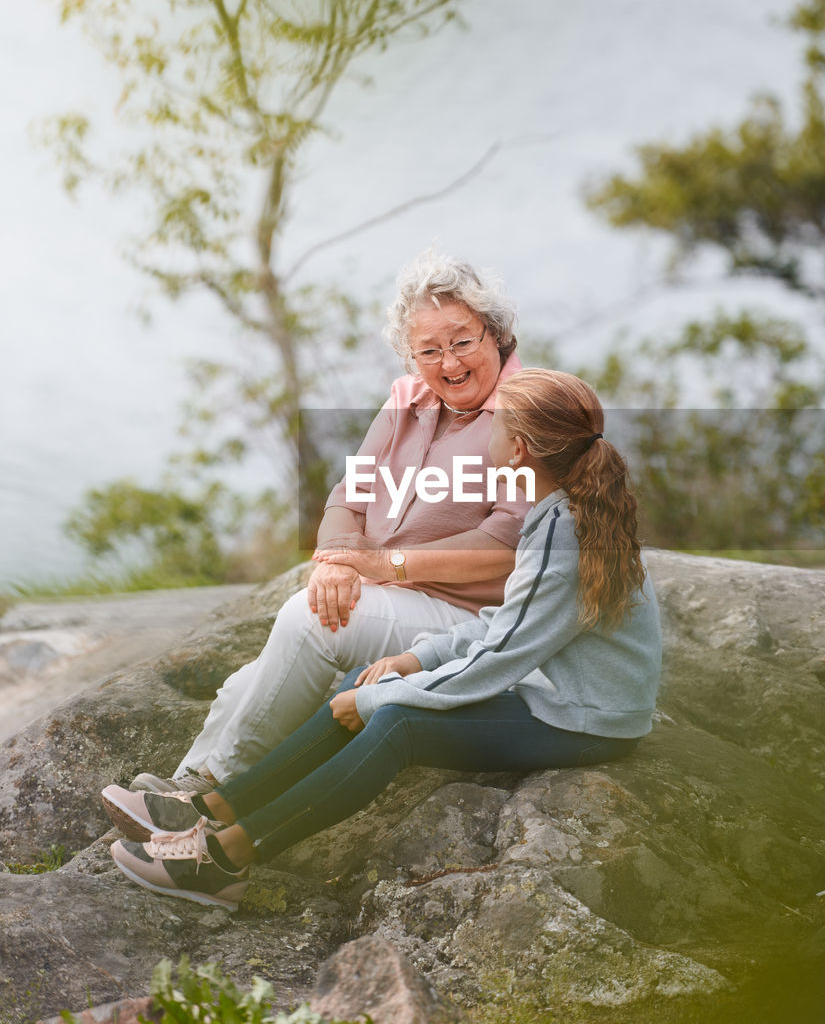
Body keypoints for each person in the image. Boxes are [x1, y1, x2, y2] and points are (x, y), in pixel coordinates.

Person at [103, 369, 663, 912]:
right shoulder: (557, 513)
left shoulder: (561, 533)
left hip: (589, 722)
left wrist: (380, 700)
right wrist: (413, 659)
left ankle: (223, 861)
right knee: (370, 679)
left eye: (494, 425)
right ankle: (214, 806)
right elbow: (504, 623)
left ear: (517, 449)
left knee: (395, 722)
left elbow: (502, 655)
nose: (485, 433)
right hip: (560, 696)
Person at [130, 249, 530, 796]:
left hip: (469, 616)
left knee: (313, 620)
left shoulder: (527, 409)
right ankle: (177, 790)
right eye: (428, 350)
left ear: (496, 335)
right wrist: (338, 560)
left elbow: (503, 543)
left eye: (462, 341)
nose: (449, 363)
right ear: (411, 358)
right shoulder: (408, 398)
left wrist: (381, 566)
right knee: (244, 684)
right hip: (394, 594)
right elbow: (350, 493)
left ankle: (208, 795)